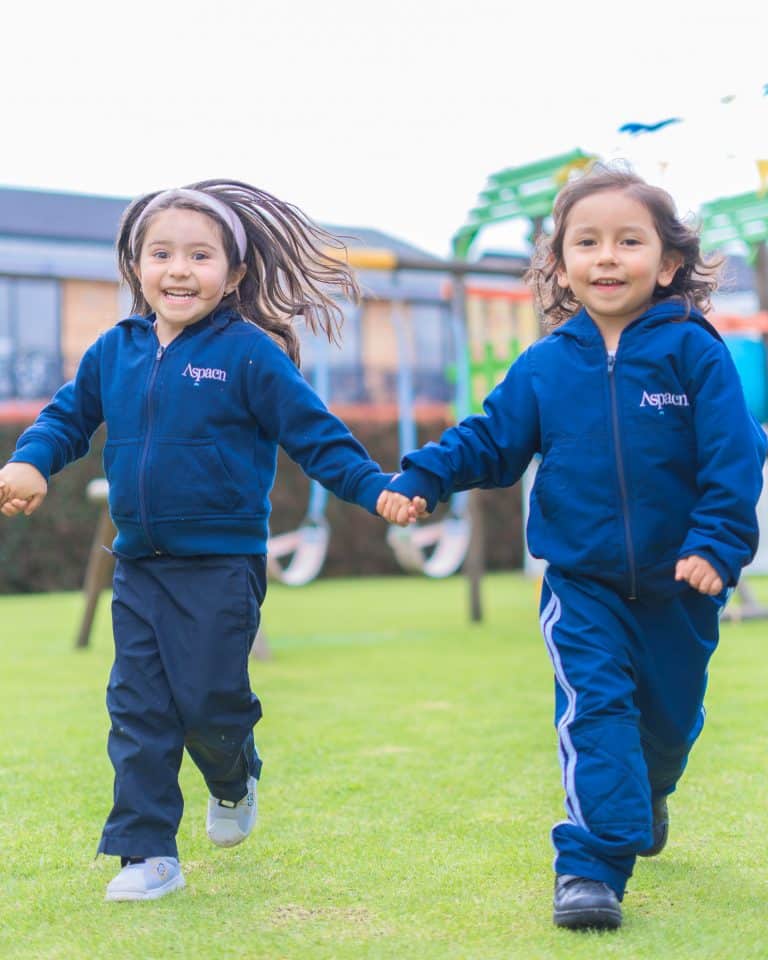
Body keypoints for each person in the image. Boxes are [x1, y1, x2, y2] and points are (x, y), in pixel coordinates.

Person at [377, 165, 767, 930]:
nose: (607, 256)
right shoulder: (547, 364)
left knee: (668, 727)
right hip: (582, 584)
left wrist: (717, 544)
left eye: (628, 241)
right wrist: (425, 476)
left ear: (668, 263)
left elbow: (734, 454)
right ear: (560, 266)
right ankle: (590, 866)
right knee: (596, 712)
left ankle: (649, 791)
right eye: (586, 242)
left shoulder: (694, 353)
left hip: (681, 585)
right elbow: (490, 439)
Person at [0, 180, 393, 902]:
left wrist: (375, 488)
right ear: (136, 266)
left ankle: (233, 775)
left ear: (234, 273)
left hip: (221, 566)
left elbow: (316, 436)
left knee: (211, 703)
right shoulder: (114, 351)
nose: (179, 269)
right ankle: (146, 853)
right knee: (138, 710)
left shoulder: (249, 354)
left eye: (200, 256)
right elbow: (65, 419)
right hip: (138, 565)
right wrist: (30, 461)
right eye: (161, 254)